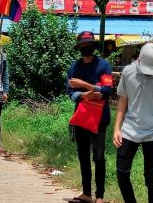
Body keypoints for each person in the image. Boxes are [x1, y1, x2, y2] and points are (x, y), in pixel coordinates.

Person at [67, 31, 113, 203]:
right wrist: (87, 94)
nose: (86, 49)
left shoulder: (104, 65)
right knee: (83, 156)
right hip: (81, 119)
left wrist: (84, 86)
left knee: (99, 156)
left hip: (99, 119)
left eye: (89, 46)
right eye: (83, 46)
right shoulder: (75, 67)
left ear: (94, 47)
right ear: (79, 48)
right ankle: (86, 193)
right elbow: (70, 92)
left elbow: (108, 90)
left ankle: (99, 196)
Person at [113, 43, 153, 203]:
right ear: (139, 59)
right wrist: (117, 128)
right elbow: (123, 100)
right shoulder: (128, 72)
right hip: (130, 129)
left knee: (152, 178)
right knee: (122, 172)